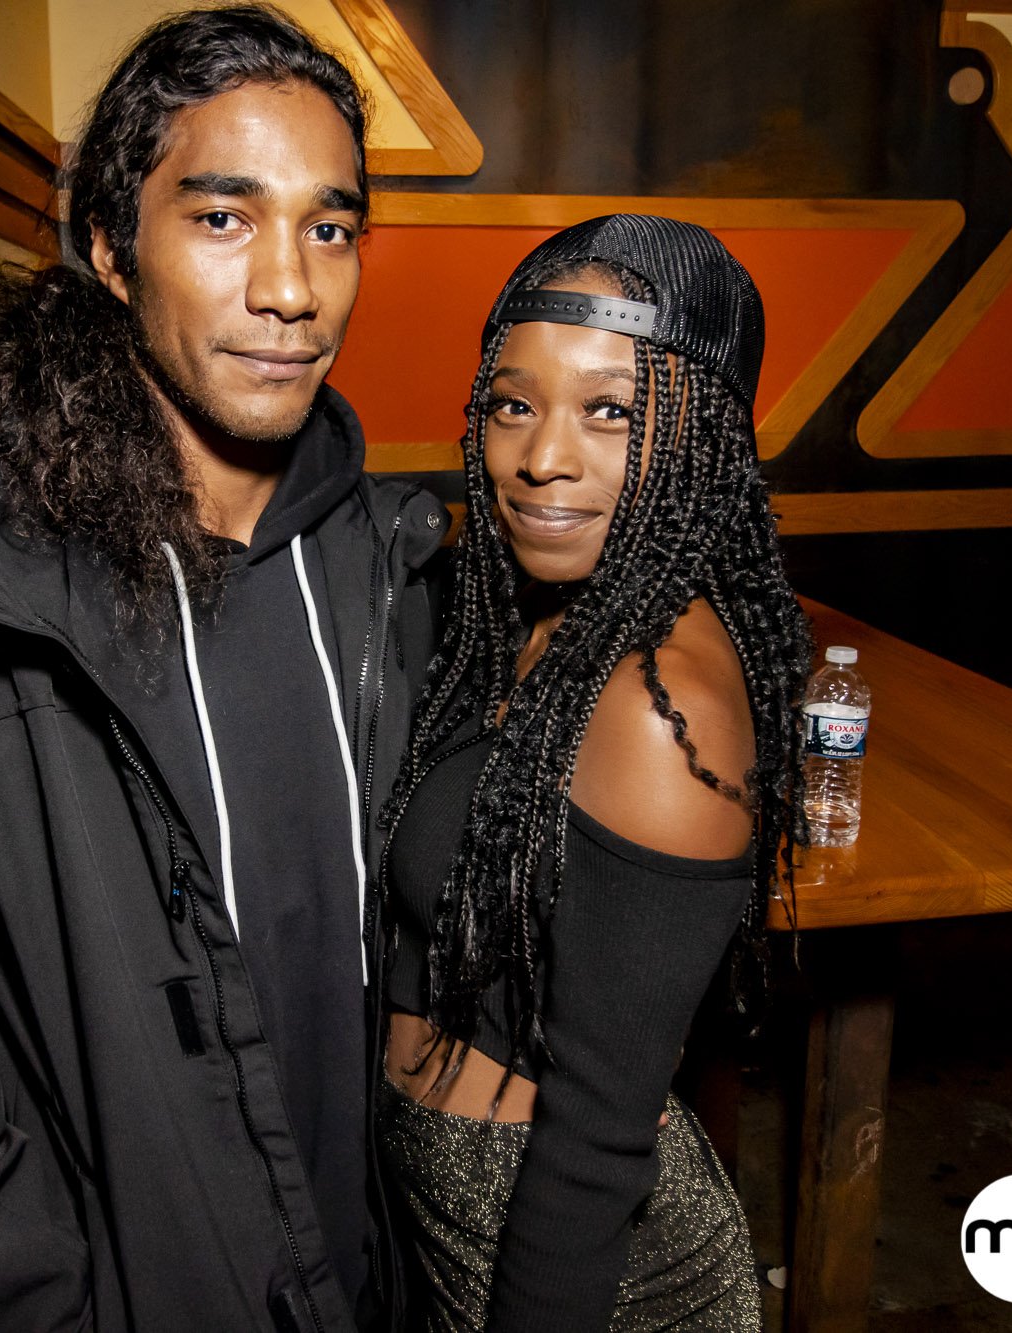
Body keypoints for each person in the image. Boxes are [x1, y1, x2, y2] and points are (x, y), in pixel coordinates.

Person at [0, 9, 447, 1331]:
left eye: (330, 227)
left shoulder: (395, 569)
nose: (292, 289)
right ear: (113, 251)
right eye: (224, 218)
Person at [374, 215, 812, 1331]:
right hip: (444, 1218)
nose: (543, 459)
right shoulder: (532, 622)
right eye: (512, 405)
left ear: (701, 438)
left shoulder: (659, 709)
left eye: (610, 410)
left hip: (586, 1277)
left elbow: (595, 1141)